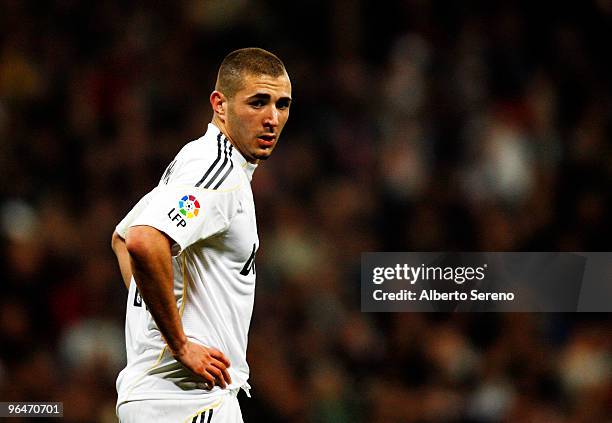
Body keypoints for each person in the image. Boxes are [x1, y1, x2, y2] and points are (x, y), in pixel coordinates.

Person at [111, 47, 292, 422]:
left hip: (169, 399)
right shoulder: (217, 170)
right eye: (258, 102)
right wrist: (178, 343)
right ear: (219, 104)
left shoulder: (200, 159)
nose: (272, 118)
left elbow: (123, 239)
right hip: (184, 400)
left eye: (282, 104)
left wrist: (155, 312)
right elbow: (142, 241)